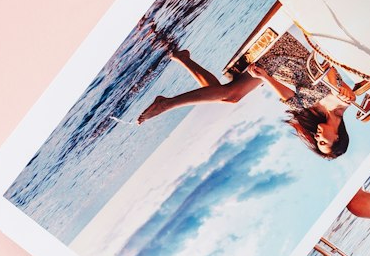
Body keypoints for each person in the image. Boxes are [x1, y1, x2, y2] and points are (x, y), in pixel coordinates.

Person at [137, 27, 352, 160]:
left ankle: (183, 59)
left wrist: (266, 77)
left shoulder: (313, 118)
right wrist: (340, 89)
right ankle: (168, 103)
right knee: (230, 95)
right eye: (323, 143)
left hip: (275, 70)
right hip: (286, 52)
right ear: (337, 137)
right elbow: (329, 69)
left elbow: (289, 97)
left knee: (230, 97)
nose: (317, 139)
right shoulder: (343, 102)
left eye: (318, 145)